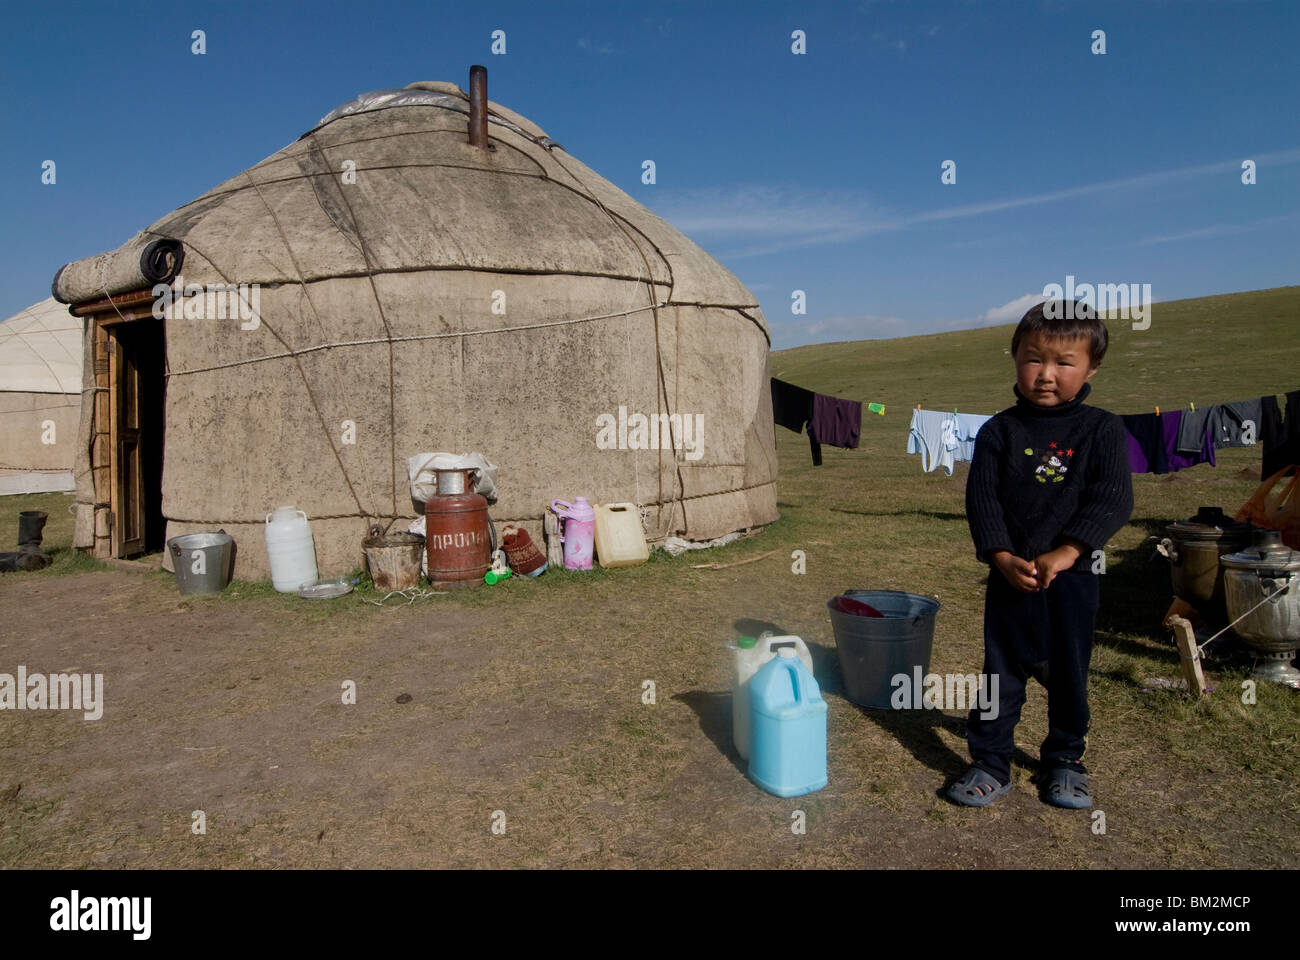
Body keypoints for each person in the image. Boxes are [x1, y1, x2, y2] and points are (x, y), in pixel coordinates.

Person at [949, 300, 1133, 808]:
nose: (1046, 374)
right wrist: (1001, 556)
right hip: (1010, 580)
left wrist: (1069, 551)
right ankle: (989, 761)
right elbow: (982, 500)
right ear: (1014, 358)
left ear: (1092, 368)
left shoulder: (1101, 430)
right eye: (1033, 359)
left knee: (1069, 675)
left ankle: (1065, 761)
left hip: (1073, 582)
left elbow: (1113, 498)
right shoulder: (998, 432)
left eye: (1064, 362)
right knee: (999, 674)